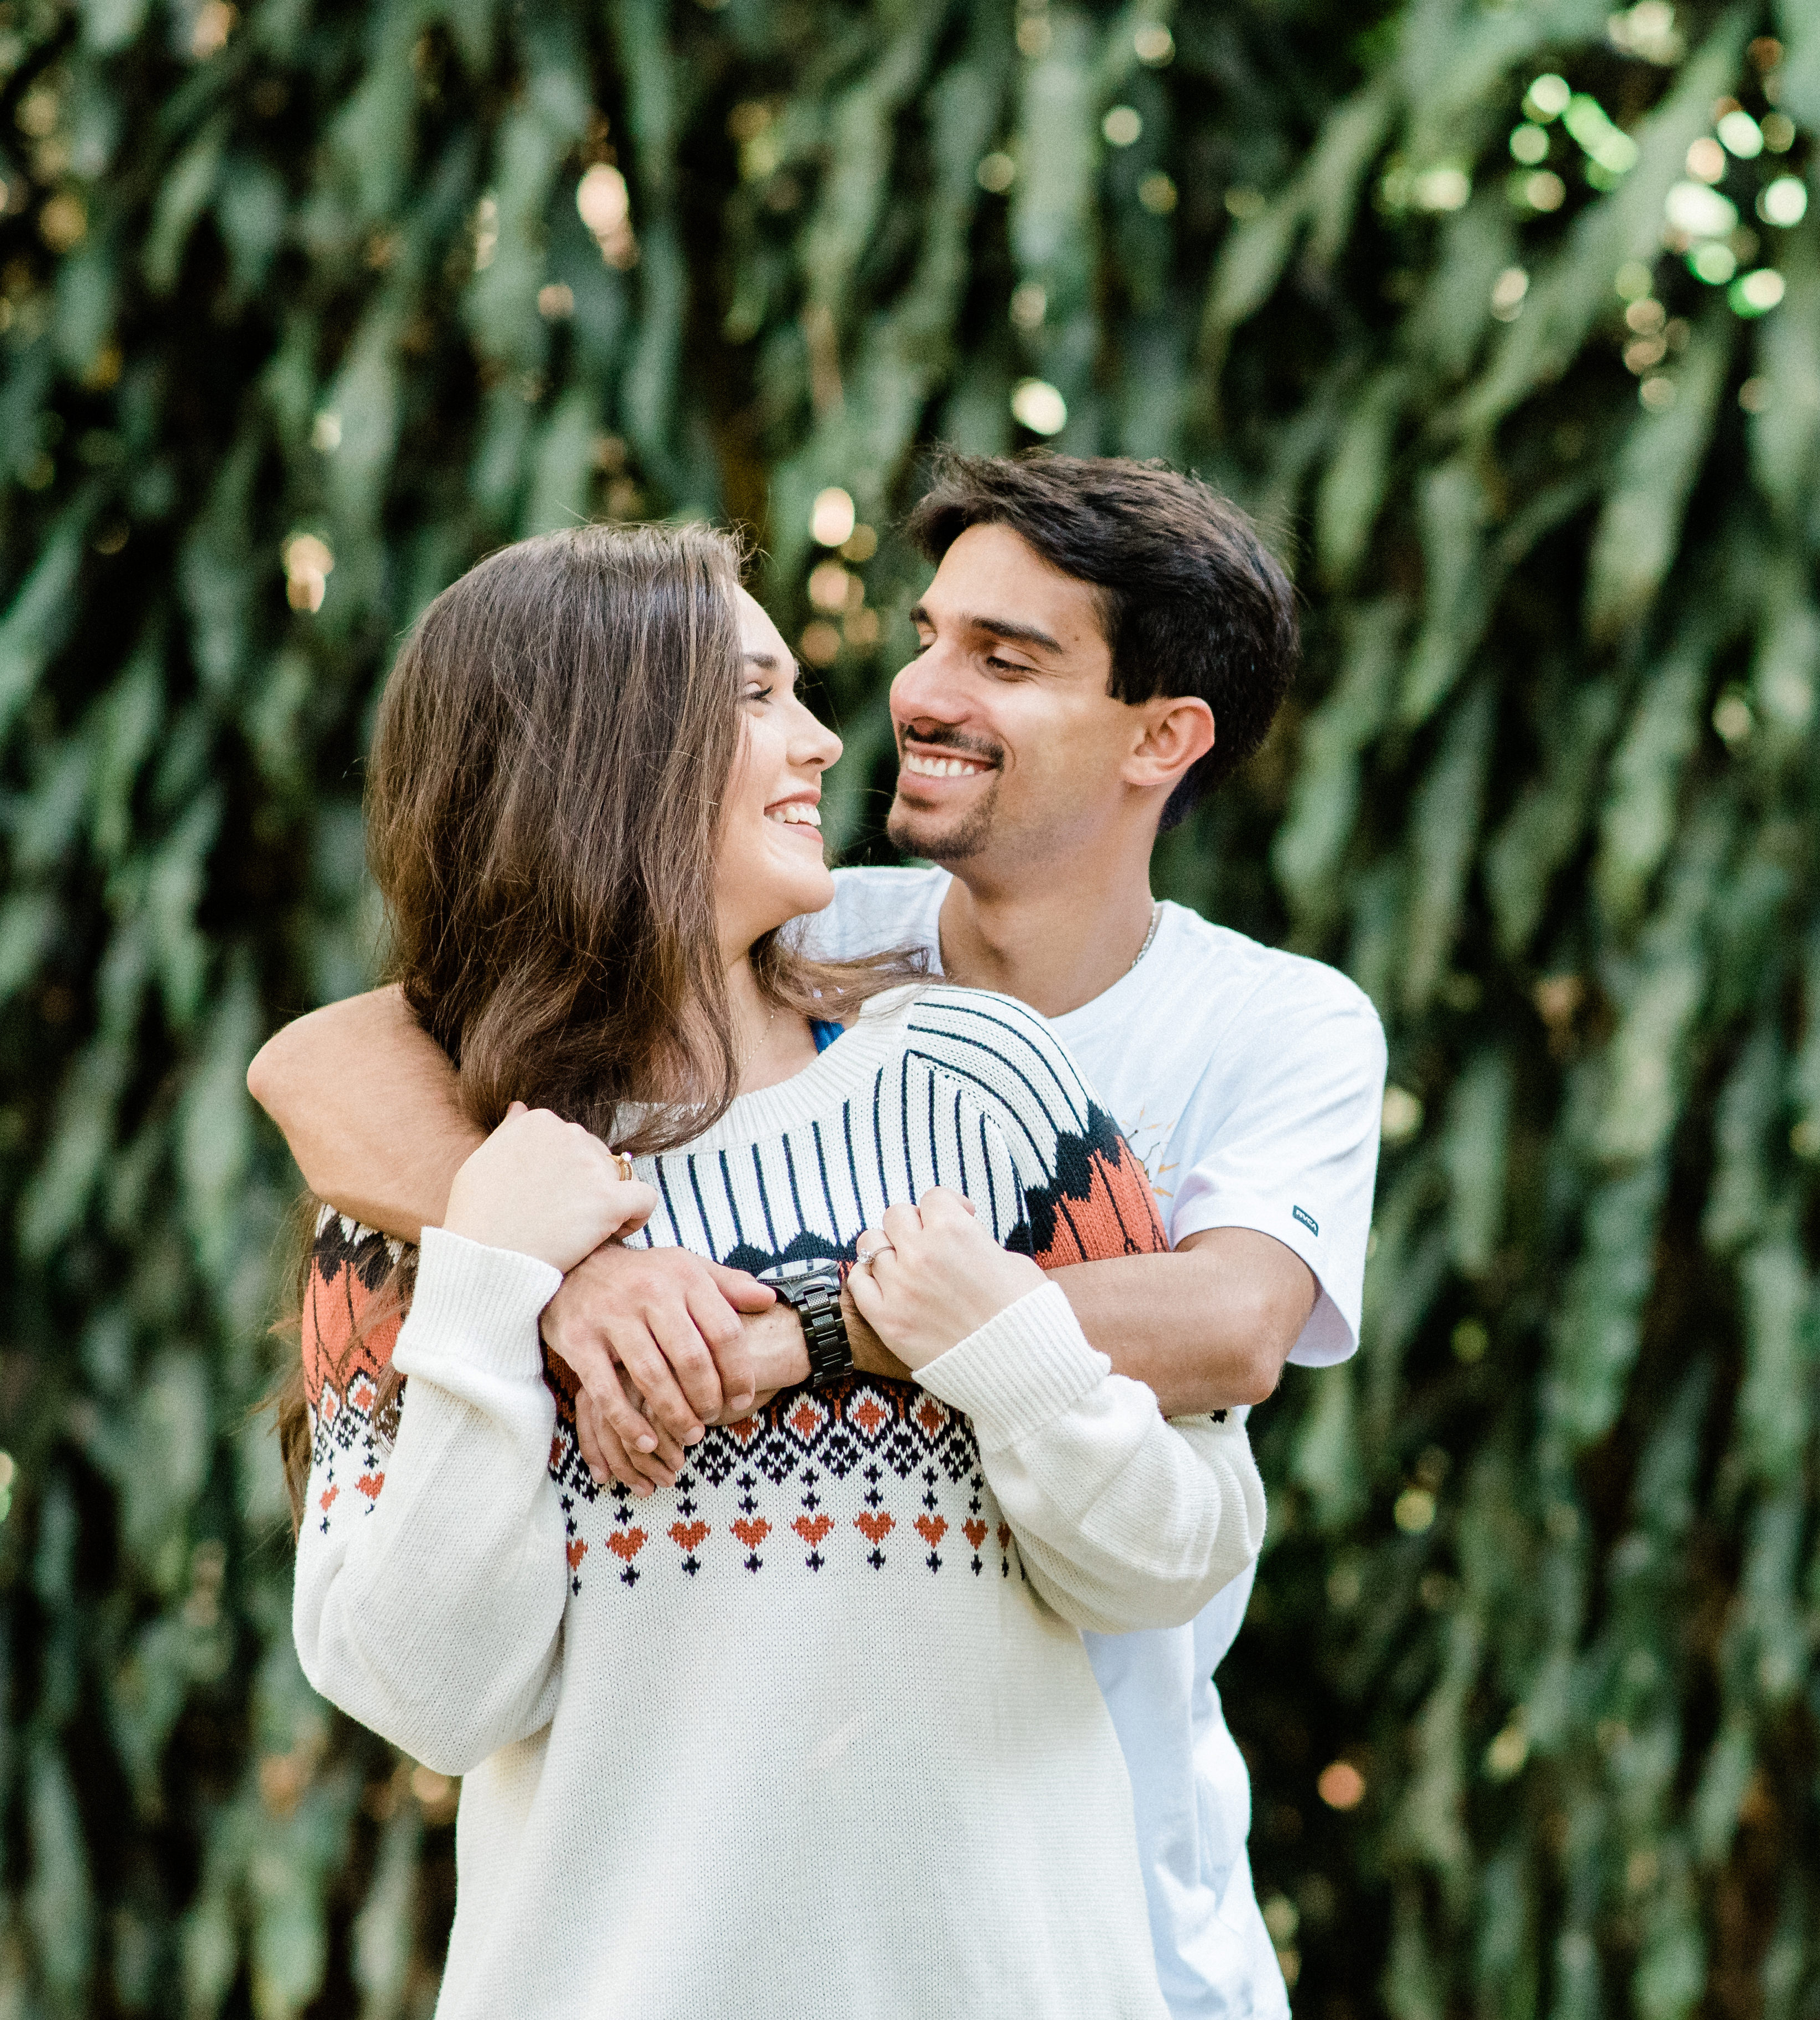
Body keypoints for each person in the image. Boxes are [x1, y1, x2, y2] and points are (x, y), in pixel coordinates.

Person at [250, 453, 1387, 2019]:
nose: (866, 717)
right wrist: (527, 1277)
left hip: (1099, 1941)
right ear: (606, 754)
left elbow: (1224, 1392)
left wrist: (896, 1326)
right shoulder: (444, 1183)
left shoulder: (1015, 1063)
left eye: (1006, 658)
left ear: (1163, 738)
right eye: (765, 693)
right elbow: (323, 1057)